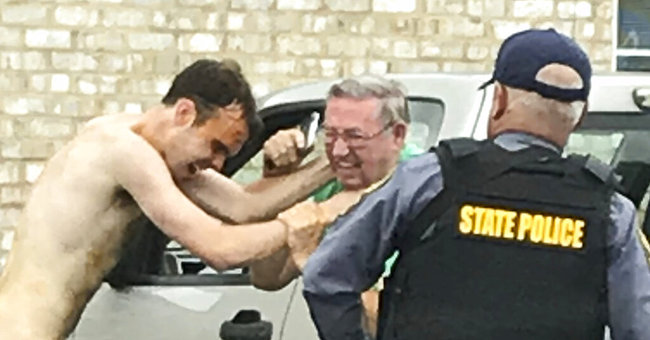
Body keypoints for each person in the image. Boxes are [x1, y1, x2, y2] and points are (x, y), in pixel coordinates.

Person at [302, 28, 650, 340]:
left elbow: (326, 277)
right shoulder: (610, 212)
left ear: (498, 99)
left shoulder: (431, 179)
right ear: (581, 115)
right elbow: (637, 328)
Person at [0, 59, 362, 340]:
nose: (217, 165)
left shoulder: (153, 148)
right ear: (185, 113)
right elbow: (219, 248)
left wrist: (335, 162)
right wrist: (322, 213)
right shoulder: (122, 152)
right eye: (216, 147)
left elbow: (244, 208)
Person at [249, 75, 422, 337]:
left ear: (397, 135)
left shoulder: (423, 190)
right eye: (330, 134)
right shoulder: (335, 181)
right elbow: (267, 278)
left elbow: (392, 320)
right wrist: (278, 183)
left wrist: (317, 266)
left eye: (355, 136)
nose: (339, 151)